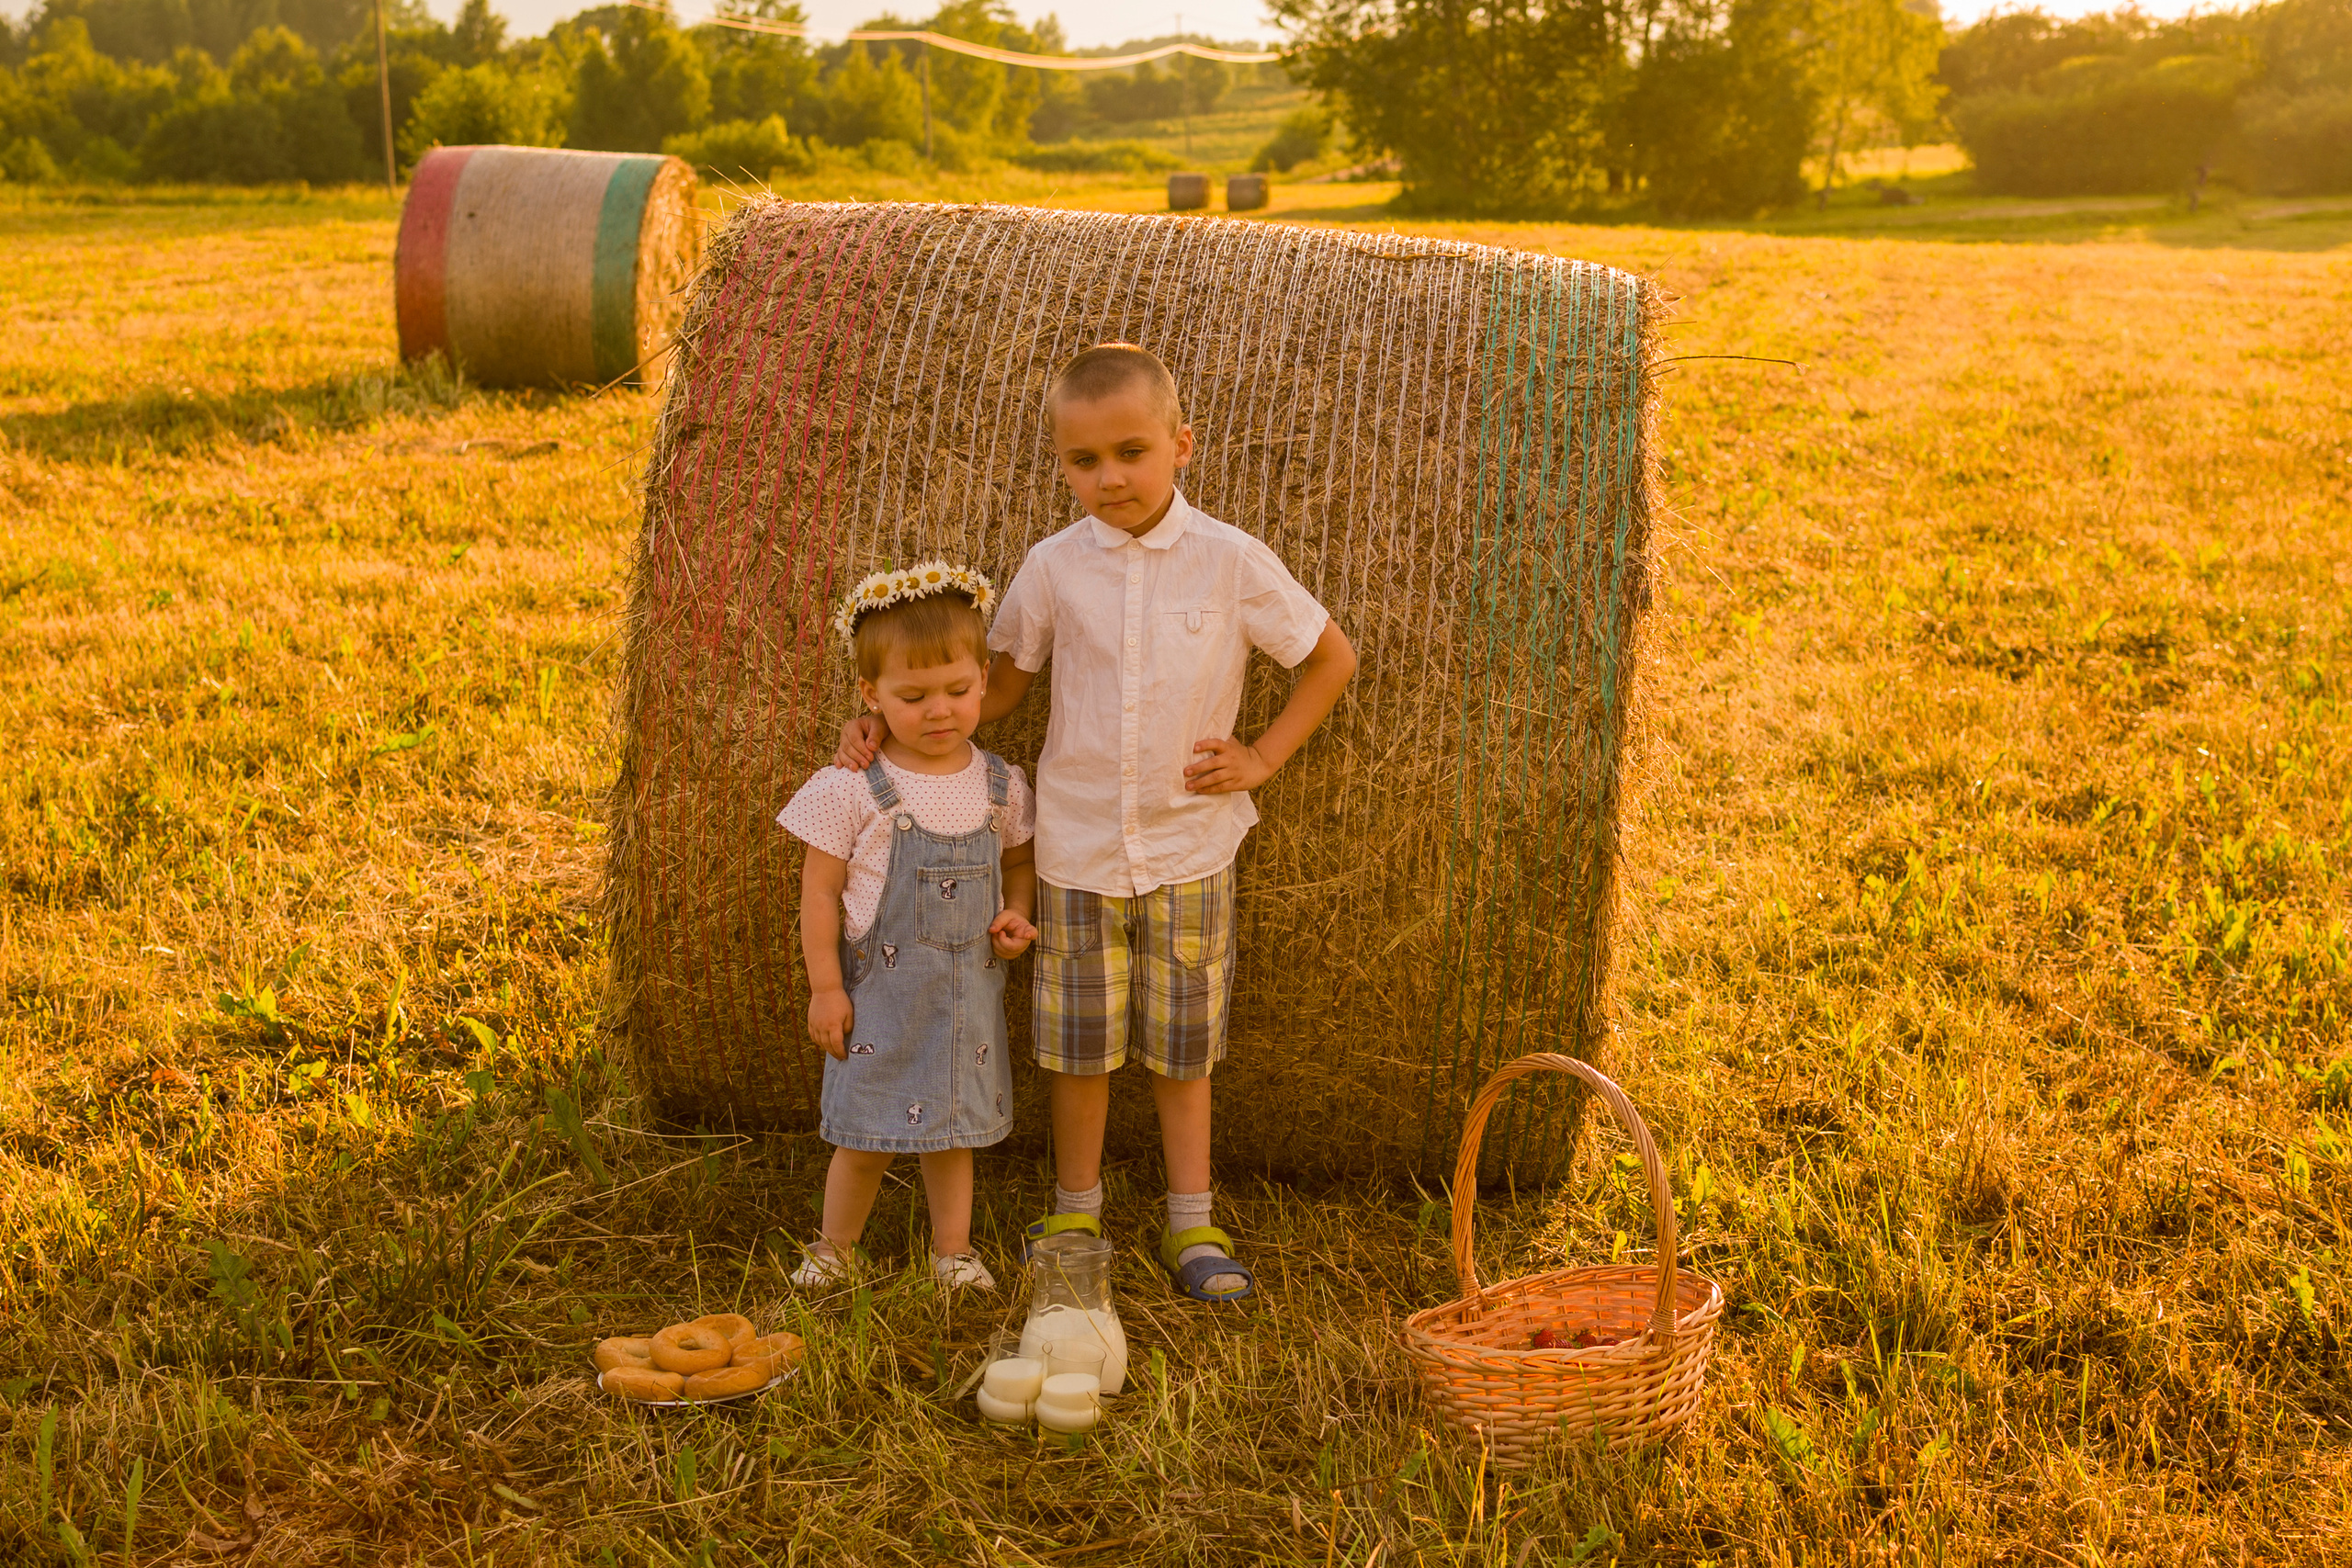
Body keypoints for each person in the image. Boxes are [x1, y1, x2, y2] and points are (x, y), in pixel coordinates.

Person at [836, 344, 1357, 1303]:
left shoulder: (1230, 561)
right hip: (1074, 846)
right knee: (1077, 1050)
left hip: (1190, 847)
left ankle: (1190, 1223)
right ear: (1062, 464)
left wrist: (1263, 757)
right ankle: (1074, 1209)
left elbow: (1330, 657)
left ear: (1180, 445)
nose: (1110, 477)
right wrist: (897, 715)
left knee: (1181, 1047)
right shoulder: (1051, 567)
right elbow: (994, 692)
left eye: (1131, 451)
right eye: (1084, 461)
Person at [780, 562, 1039, 1291]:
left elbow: (1018, 865)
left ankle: (951, 1251)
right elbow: (820, 892)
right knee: (861, 1137)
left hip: (962, 1005)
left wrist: (1015, 911)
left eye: (958, 690)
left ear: (984, 678)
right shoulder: (852, 787)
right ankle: (835, 1248)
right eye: (912, 696)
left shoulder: (998, 785)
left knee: (952, 1135)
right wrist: (825, 987)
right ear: (870, 695)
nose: (939, 710)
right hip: (879, 1003)